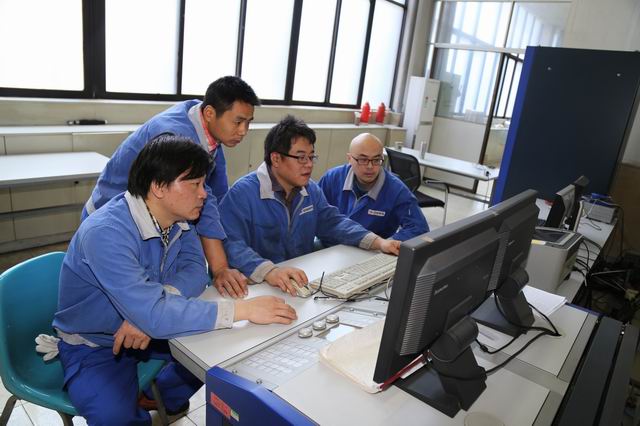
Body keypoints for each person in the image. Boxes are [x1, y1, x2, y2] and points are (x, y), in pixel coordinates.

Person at [53, 136, 297, 425]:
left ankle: (160, 395)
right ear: (158, 187)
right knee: (116, 418)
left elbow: (195, 270)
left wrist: (152, 308)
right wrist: (242, 310)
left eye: (204, 183)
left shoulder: (178, 218)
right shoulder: (106, 233)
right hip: (96, 344)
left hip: (145, 329)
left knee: (218, 360)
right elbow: (155, 315)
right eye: (195, 184)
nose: (204, 194)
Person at [82, 76, 259, 299]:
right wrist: (220, 268)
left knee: (163, 287)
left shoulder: (206, 126)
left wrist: (228, 264)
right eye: (238, 122)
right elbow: (208, 201)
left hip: (154, 220)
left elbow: (217, 197)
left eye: (248, 122)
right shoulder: (175, 135)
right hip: (113, 219)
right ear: (210, 113)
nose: (244, 131)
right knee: (126, 297)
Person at [219, 116, 401, 297]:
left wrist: (379, 242)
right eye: (301, 157)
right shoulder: (242, 194)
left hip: (299, 283)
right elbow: (231, 243)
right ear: (276, 159)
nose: (308, 164)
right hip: (257, 287)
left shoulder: (311, 190)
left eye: (311, 157)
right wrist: (269, 271)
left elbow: (333, 223)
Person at [318, 133, 429, 242]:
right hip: (329, 244)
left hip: (370, 250)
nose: (370, 166)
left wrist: (387, 243)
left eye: (376, 160)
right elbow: (314, 212)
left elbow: (419, 229)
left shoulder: (396, 190)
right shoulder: (332, 178)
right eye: (363, 160)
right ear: (350, 158)